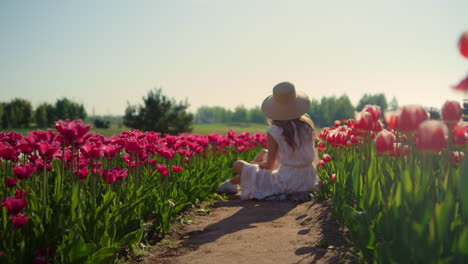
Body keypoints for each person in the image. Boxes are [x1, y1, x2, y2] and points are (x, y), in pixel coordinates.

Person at [216, 82, 320, 201]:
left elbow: (269, 165)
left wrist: (252, 164)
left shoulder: (275, 130)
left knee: (238, 164)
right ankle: (231, 184)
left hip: (287, 182)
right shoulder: (306, 127)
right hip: (308, 180)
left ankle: (231, 183)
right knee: (262, 153)